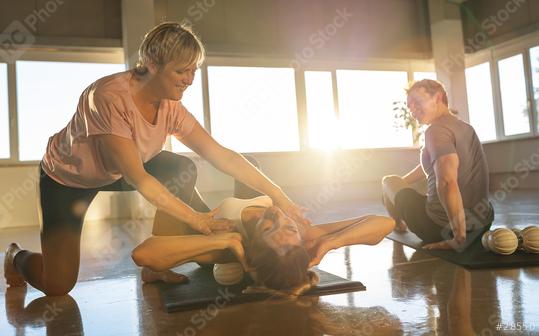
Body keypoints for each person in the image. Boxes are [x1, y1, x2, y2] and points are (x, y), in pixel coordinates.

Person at [3, 22, 309, 296]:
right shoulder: (108, 97)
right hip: (67, 179)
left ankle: (156, 267)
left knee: (180, 168)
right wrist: (198, 221)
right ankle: (14, 256)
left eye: (193, 71)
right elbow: (138, 178)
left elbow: (222, 156)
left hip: (120, 168)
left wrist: (280, 196)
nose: (189, 79)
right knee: (58, 285)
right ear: (151, 64)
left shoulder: (170, 106)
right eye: (181, 71)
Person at [131, 194, 395, 296]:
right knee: (252, 167)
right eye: (289, 227)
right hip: (242, 199)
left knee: (175, 200)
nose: (279, 216)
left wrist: (224, 239)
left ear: (254, 243)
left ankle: (162, 272)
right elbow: (384, 223)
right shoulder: (303, 234)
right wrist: (330, 242)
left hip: (208, 226)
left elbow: (143, 254)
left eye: (269, 229)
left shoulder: (228, 246)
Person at [381, 79, 494, 251]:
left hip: (440, 229)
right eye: (410, 107)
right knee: (394, 183)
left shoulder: (435, 131)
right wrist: (400, 184)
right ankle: (399, 212)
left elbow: (447, 182)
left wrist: (458, 238)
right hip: (482, 225)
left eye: (417, 102)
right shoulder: (465, 127)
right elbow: (436, 164)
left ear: (438, 97)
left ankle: (398, 224)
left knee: (387, 180)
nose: (413, 111)